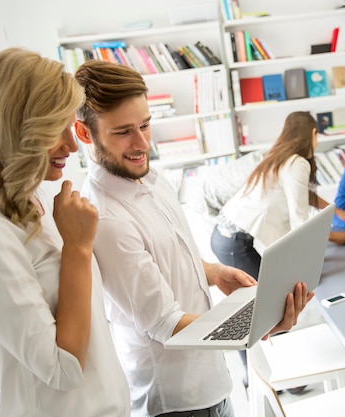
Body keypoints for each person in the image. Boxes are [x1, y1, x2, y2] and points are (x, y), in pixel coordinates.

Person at [73, 60, 312, 417]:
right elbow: (166, 324)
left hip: (210, 381)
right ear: (84, 133)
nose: (142, 144)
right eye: (123, 132)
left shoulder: (152, 178)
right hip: (176, 401)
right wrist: (260, 322)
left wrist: (213, 272)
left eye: (145, 125)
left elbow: (165, 257)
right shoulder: (106, 217)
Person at [0, 48, 130, 417]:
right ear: (17, 130)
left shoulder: (36, 200)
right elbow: (63, 368)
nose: (72, 144)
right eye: (55, 129)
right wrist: (77, 249)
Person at [211, 111, 345, 280]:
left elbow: (301, 193)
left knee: (270, 293)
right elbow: (300, 223)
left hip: (224, 236)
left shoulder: (279, 156)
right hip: (233, 241)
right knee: (269, 297)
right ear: (313, 133)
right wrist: (333, 237)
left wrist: (337, 212)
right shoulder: (298, 163)